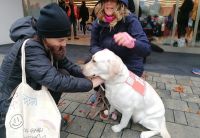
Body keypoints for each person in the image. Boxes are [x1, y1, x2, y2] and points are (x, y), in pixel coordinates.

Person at [0, 3, 103, 138]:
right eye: (60, 40)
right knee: (13, 130)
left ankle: (45, 117)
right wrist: (91, 84)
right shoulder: (31, 46)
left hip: (33, 86)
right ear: (45, 35)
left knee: (64, 72)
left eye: (66, 39)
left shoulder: (46, 41)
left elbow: (66, 64)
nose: (65, 44)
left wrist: (88, 74)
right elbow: (55, 81)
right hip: (13, 99)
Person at [88, 0, 151, 120]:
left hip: (129, 62)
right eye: (106, 0)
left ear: (120, 4)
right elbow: (93, 46)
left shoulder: (130, 20)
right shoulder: (98, 22)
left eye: (114, 0)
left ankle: (117, 104)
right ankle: (101, 94)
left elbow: (146, 49)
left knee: (127, 91)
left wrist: (132, 43)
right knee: (91, 64)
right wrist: (103, 54)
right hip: (109, 63)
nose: (109, 3)